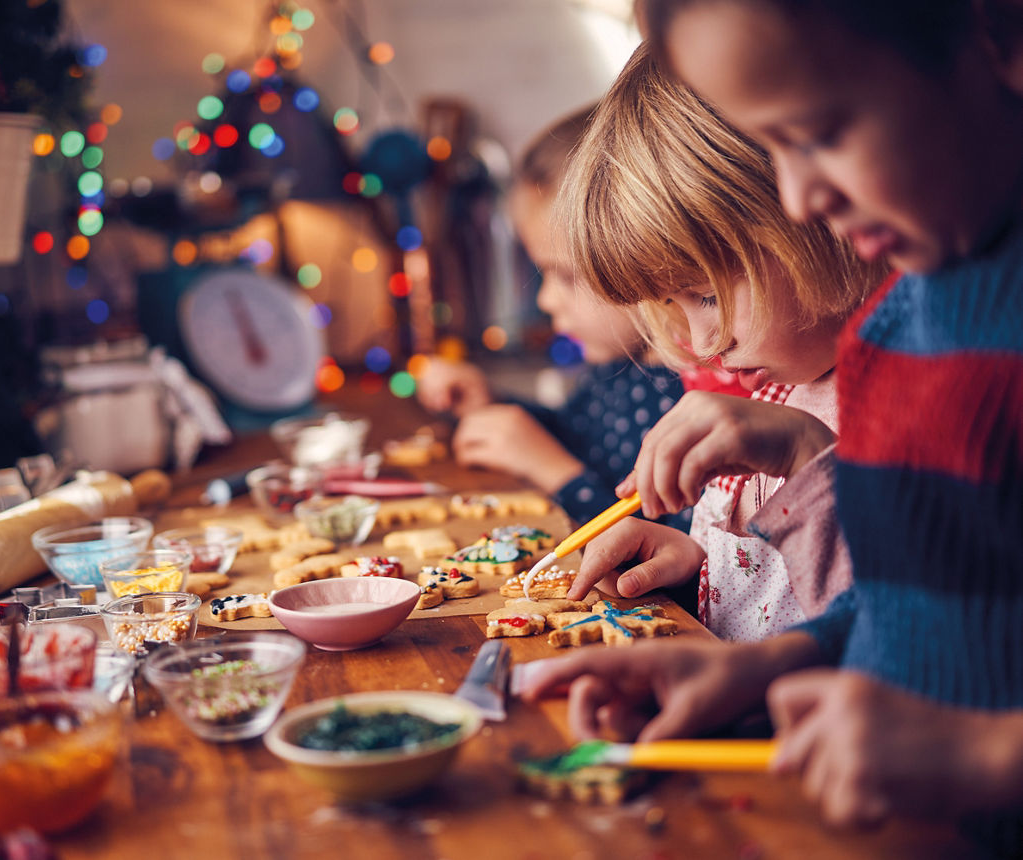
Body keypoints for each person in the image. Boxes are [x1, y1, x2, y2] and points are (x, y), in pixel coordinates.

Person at [519, 1, 1023, 850]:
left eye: (820, 134)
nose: (799, 198)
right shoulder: (899, 326)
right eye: (774, 148)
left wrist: (987, 757)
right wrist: (764, 665)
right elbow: (917, 607)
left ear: (1001, 38)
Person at [554, 45, 884, 640]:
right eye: (671, 304)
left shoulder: (900, 404)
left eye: (706, 295)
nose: (702, 345)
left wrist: (807, 457)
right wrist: (694, 563)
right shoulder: (779, 386)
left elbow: (900, 632)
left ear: (813, 217)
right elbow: (778, 590)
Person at [417, 105, 692, 531]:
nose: (546, 300)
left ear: (652, 259)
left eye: (565, 275)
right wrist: (491, 405)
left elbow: (669, 552)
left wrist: (560, 477)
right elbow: (577, 438)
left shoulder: (690, 401)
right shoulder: (618, 368)